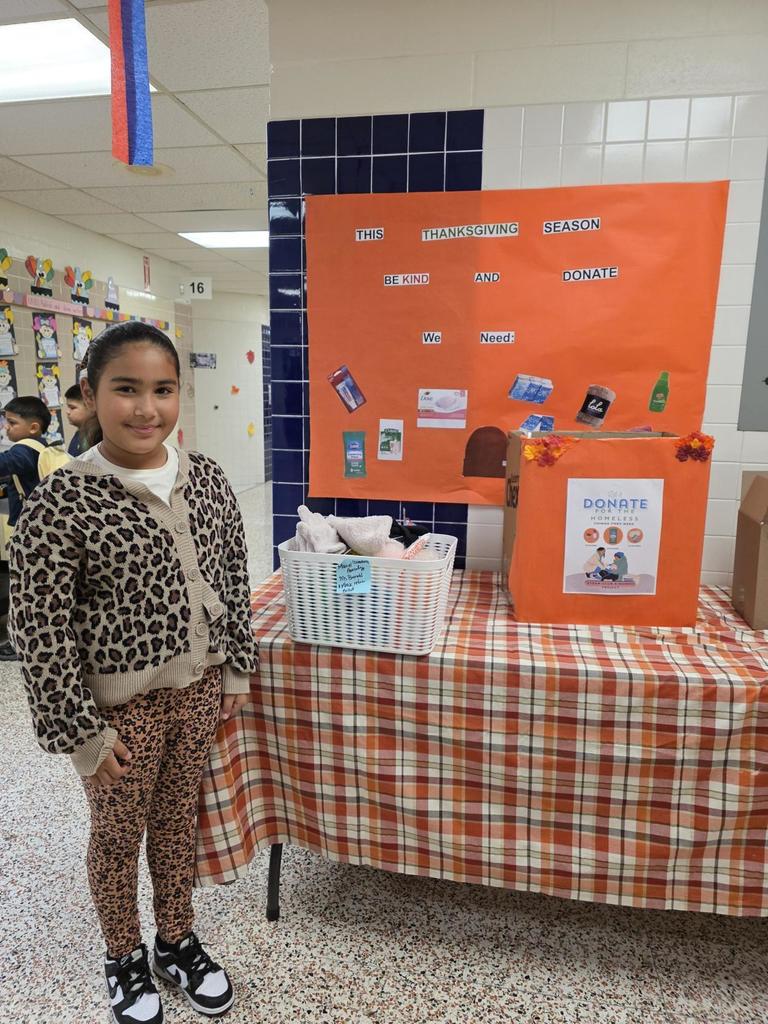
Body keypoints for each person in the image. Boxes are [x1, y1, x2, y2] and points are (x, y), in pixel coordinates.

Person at [9, 321, 258, 1024]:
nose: (147, 409)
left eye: (163, 390)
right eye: (126, 389)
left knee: (177, 825)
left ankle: (176, 940)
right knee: (118, 837)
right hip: (116, 714)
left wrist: (235, 671)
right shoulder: (61, 501)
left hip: (198, 692)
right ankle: (123, 955)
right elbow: (40, 631)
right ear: (90, 396)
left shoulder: (205, 479)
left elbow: (232, 577)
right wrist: (81, 734)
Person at [0, 397, 53, 661]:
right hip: (43, 528)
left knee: (25, 590)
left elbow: (4, 464)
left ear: (33, 427)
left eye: (11, 423)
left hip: (30, 532)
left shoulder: (23, 450)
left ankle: (21, 642)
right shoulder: (44, 447)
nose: (6, 428)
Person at [64, 382, 88, 455]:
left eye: (72, 408)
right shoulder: (79, 434)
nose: (67, 412)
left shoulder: (94, 439)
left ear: (90, 406)